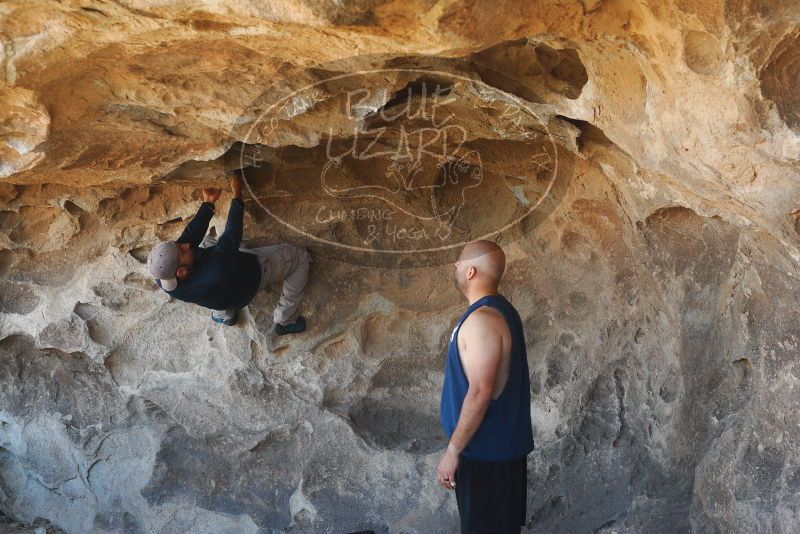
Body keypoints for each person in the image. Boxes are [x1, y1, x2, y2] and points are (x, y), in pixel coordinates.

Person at [438, 240, 535, 533]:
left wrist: (453, 450)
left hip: (486, 459)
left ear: (470, 271)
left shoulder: (483, 320)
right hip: (491, 455)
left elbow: (480, 392)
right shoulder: (498, 312)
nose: (455, 265)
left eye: (459, 261)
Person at [146, 172, 310, 335]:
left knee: (203, 243)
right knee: (301, 257)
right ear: (181, 272)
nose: (186, 245)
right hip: (245, 284)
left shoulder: (164, 276)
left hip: (219, 296)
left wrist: (209, 203)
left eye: (178, 246)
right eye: (182, 251)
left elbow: (189, 236)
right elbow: (232, 235)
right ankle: (285, 321)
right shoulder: (215, 270)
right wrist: (237, 195)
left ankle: (223, 316)